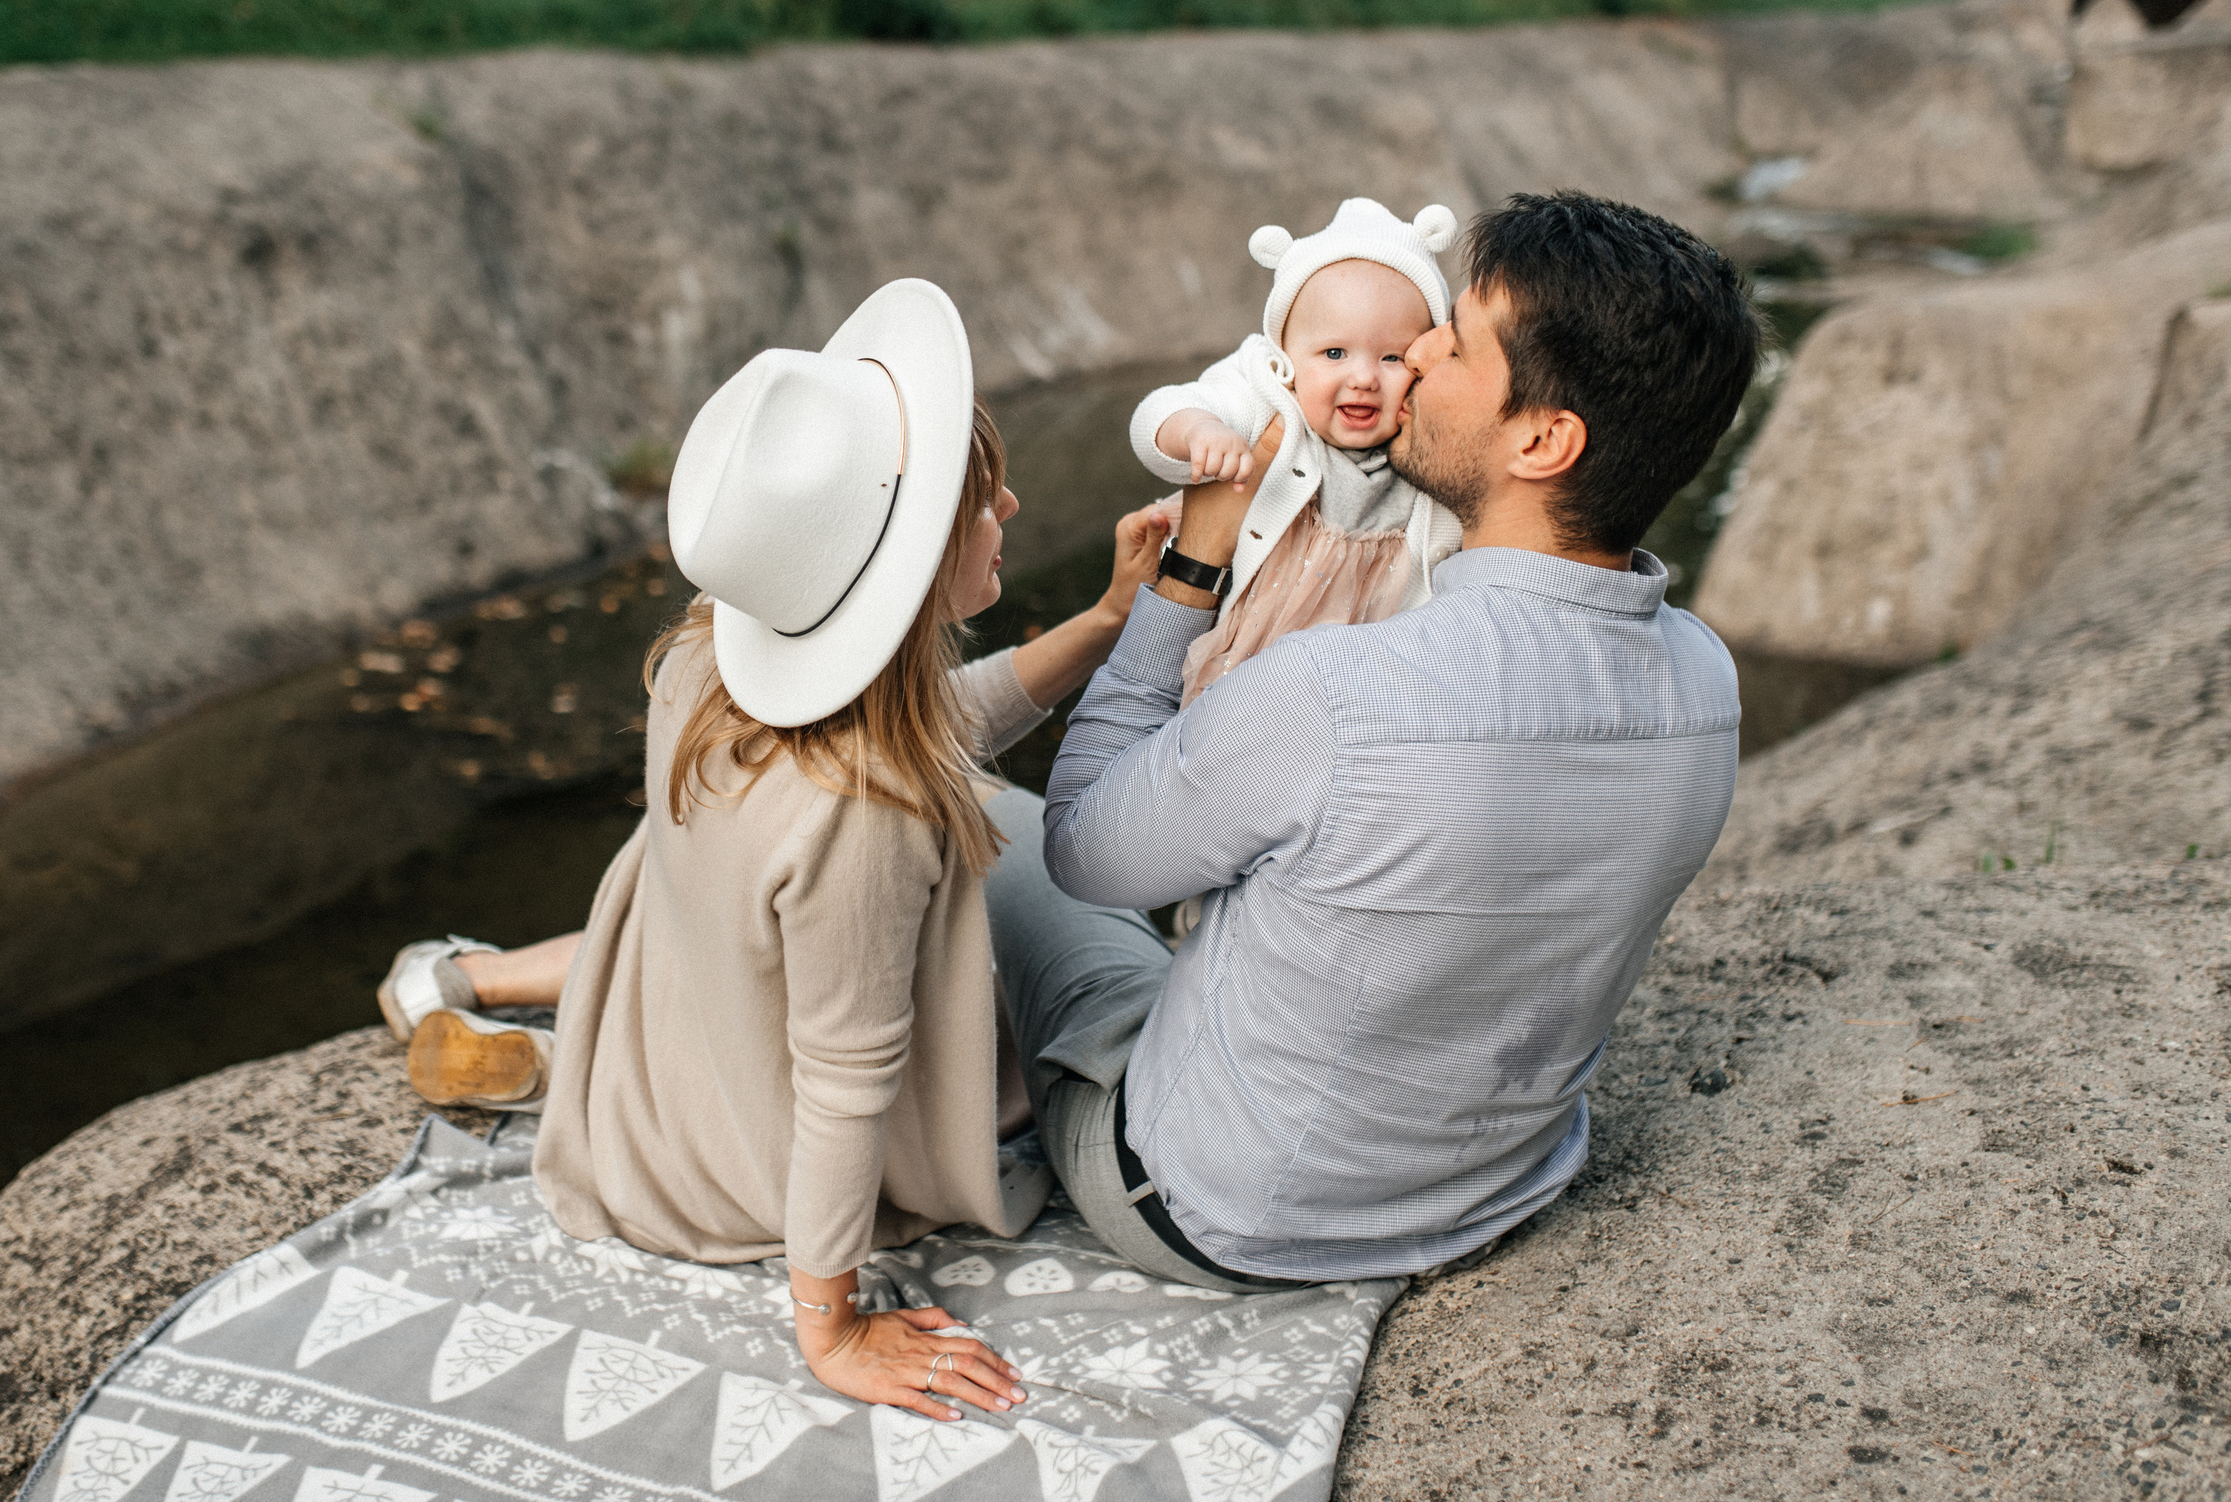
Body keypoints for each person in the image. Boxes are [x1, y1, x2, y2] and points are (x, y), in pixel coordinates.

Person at [372, 280, 1175, 1422]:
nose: (1010, 499)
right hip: (747, 1151)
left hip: (667, 1040)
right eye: (979, 500)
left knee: (687, 866)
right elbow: (847, 1087)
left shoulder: (712, 658)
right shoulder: (870, 817)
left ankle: (504, 1014)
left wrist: (1098, 625)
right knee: (1005, 960)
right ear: (918, 559)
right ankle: (528, 1046)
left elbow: (925, 720)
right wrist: (832, 1321)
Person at [1021, 190, 1760, 1294]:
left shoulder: (1333, 690)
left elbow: (1083, 852)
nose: (1410, 355)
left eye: (1452, 344)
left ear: (1544, 439)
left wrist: (1185, 580)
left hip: (1218, 1209)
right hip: (1500, 1188)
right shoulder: (1705, 682)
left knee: (995, 839)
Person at [1129, 198, 1464, 703]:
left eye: (1392, 356)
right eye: (1334, 353)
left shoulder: (1428, 441)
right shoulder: (1268, 397)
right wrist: (1201, 430)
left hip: (1364, 684)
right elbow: (1159, 413)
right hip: (1246, 655)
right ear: (1284, 356)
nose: (1364, 378)